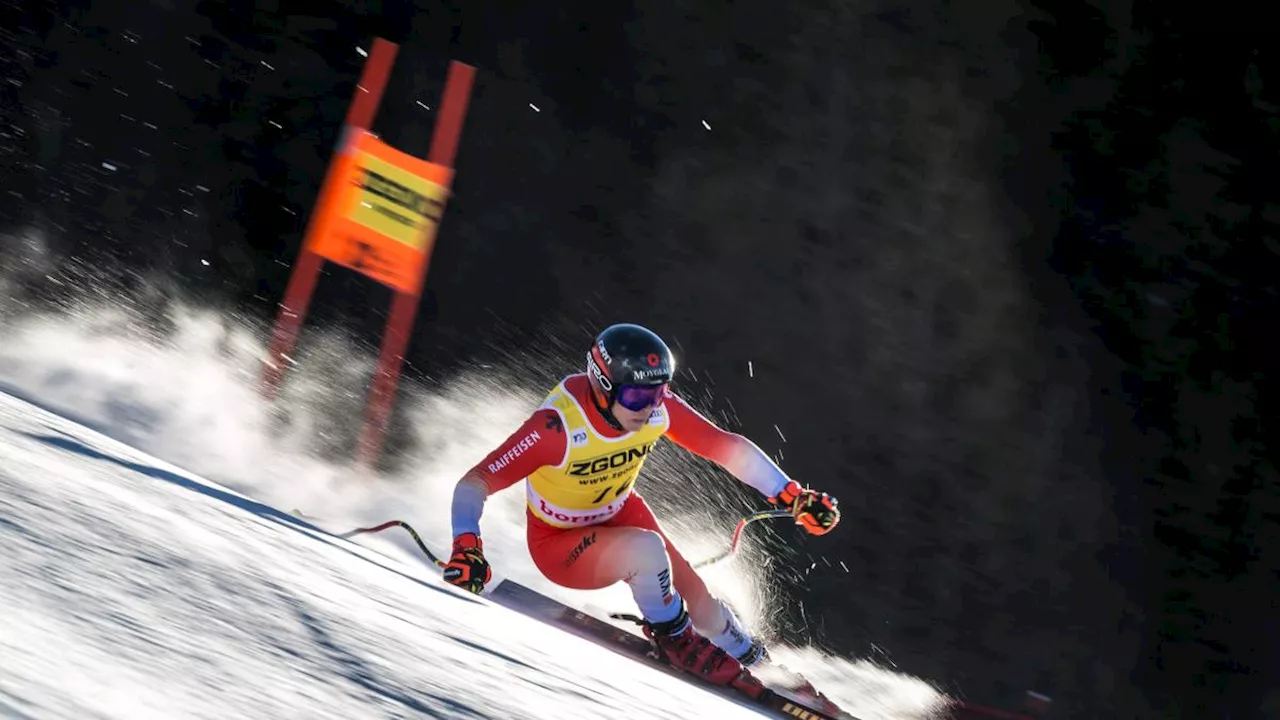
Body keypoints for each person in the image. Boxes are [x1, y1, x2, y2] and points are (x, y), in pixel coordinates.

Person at [442, 323, 840, 694]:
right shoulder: (557, 428)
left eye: (659, 394)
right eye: (636, 396)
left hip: (621, 513)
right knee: (647, 551)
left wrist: (790, 494)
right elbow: (475, 482)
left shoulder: (655, 410)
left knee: (707, 611)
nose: (649, 408)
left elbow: (726, 447)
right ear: (603, 385)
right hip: (560, 543)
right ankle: (675, 640)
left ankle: (758, 663)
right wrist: (467, 546)